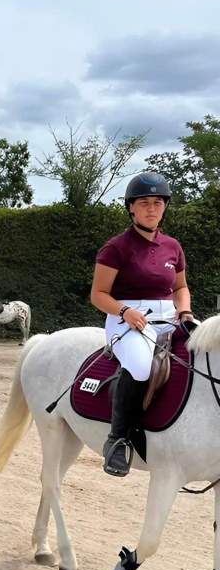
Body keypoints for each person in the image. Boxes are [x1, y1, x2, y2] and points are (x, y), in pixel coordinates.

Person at [90, 172, 194, 477]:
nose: (152, 208)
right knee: (139, 365)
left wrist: (185, 312)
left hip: (169, 318)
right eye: (145, 203)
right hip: (128, 320)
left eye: (158, 202)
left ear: (164, 207)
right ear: (131, 208)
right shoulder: (116, 248)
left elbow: (180, 288)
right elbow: (98, 294)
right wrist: (124, 312)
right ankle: (117, 439)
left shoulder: (173, 246)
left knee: (204, 352)